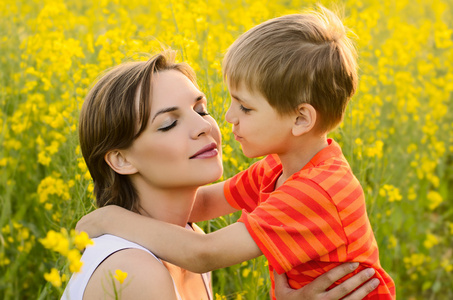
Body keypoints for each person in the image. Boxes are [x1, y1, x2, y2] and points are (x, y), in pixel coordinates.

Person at [76, 6, 396, 300]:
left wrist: (108, 217)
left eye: (244, 107)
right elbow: (201, 204)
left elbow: (203, 253)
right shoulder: (276, 169)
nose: (223, 119)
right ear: (120, 158)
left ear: (301, 119)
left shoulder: (316, 190)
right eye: (169, 123)